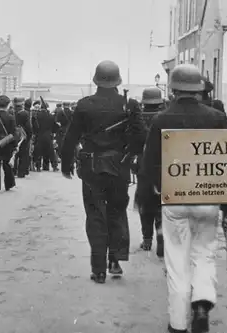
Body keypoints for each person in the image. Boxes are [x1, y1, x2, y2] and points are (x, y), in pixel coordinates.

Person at [136, 64, 227, 333]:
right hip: (208, 196)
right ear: (200, 89)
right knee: (205, 253)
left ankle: (177, 323)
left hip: (173, 198)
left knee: (177, 263)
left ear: (173, 89)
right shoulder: (217, 118)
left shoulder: (161, 120)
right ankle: (202, 303)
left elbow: (150, 163)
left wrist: (151, 193)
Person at [61, 60, 145, 284]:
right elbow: (140, 138)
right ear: (118, 81)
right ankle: (115, 260)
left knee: (95, 215)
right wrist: (129, 155)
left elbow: (70, 137)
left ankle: (98, 269)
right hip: (119, 166)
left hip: (91, 167)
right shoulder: (130, 105)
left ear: (96, 80)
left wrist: (66, 163)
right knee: (117, 212)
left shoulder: (85, 104)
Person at [137, 86, 164, 256]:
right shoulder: (164, 119)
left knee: (145, 203)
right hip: (165, 166)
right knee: (162, 204)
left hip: (144, 166)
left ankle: (147, 239)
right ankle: (161, 234)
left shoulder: (139, 119)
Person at [34, 101, 59, 171]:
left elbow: (35, 125)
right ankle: (54, 166)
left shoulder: (37, 115)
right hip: (48, 135)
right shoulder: (51, 116)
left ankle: (38, 166)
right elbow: (54, 127)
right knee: (51, 151)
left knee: (39, 151)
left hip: (39, 135)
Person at [13, 97, 33, 178]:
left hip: (13, 135)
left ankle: (13, 170)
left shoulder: (11, 112)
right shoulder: (25, 113)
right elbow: (29, 127)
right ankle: (21, 172)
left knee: (14, 153)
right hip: (23, 136)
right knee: (23, 154)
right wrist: (29, 136)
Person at [55, 101, 73, 168]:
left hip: (61, 130)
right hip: (69, 130)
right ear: (69, 105)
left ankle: (61, 157)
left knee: (60, 144)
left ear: (63, 105)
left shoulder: (60, 112)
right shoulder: (72, 113)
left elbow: (57, 122)